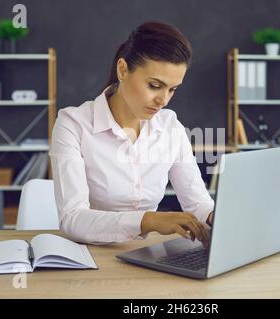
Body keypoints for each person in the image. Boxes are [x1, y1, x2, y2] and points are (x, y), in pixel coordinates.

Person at [49, 21, 214, 247]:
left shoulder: (170, 126)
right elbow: (72, 218)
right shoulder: (73, 124)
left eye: (172, 89)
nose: (163, 100)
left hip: (144, 254)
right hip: (91, 258)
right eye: (155, 85)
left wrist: (217, 217)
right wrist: (149, 220)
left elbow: (198, 204)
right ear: (123, 70)